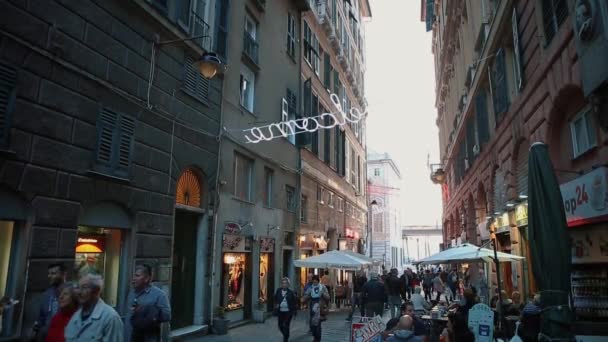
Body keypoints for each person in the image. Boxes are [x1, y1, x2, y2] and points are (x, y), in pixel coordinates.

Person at [65, 273, 123, 341]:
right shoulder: (75, 316)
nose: (79, 292)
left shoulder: (110, 317)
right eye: (78, 287)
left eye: (84, 287)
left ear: (97, 291)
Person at [125, 264, 171, 342]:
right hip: (130, 337)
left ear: (146, 279)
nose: (134, 279)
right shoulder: (131, 293)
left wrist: (145, 310)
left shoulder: (159, 295)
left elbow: (167, 316)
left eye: (137, 276)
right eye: (134, 275)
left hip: (148, 338)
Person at [33, 263, 67, 340]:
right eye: (49, 273)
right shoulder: (46, 294)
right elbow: (41, 317)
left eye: (53, 273)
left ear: (63, 274)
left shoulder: (72, 293)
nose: (49, 276)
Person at [302, 275, 329, 342]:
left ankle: (317, 339)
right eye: (313, 282)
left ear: (318, 281)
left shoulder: (322, 287)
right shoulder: (310, 288)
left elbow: (328, 297)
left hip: (320, 306)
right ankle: (315, 336)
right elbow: (305, 296)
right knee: (312, 324)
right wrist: (304, 298)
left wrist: (322, 293)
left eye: (316, 282)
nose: (315, 283)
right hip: (312, 306)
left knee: (318, 324)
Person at [274, 277, 297, 342]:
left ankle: (285, 339)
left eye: (286, 283)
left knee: (286, 325)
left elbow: (294, 302)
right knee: (280, 325)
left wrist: (294, 312)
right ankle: (286, 335)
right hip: (280, 311)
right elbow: (275, 298)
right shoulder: (278, 290)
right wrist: (277, 304)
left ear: (288, 285)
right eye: (283, 283)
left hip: (288, 312)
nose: (284, 285)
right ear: (281, 284)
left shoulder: (291, 292)